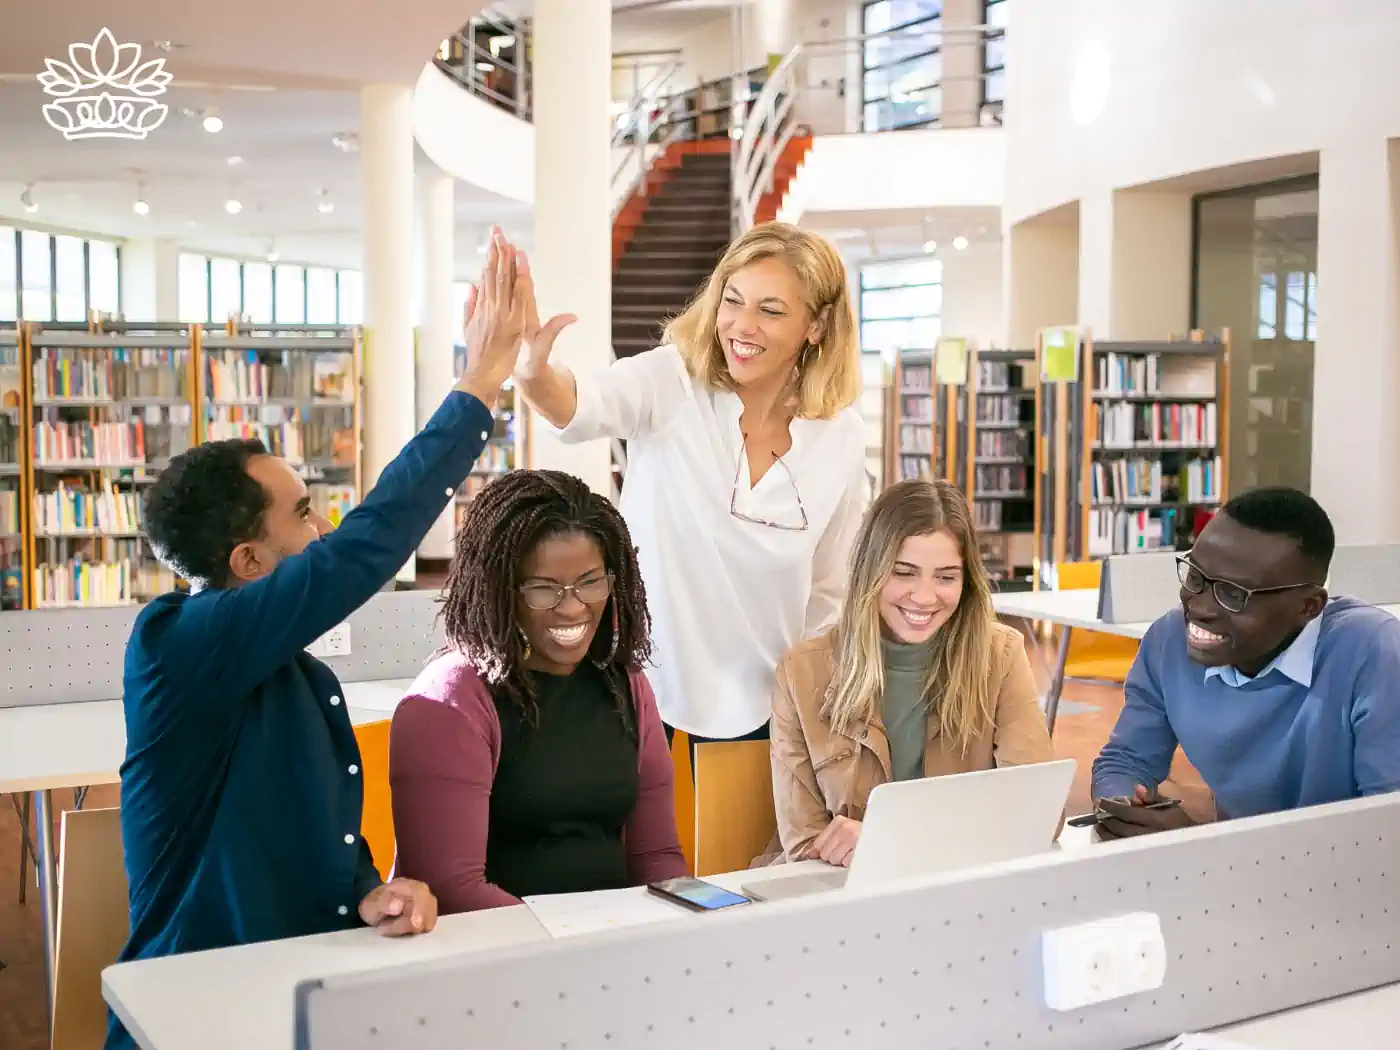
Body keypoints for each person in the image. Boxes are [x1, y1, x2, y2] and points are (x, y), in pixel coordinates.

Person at [105, 232, 528, 1050]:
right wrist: (476, 386)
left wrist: (364, 890)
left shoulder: (290, 670)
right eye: (303, 514)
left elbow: (303, 824)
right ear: (248, 561)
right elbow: (359, 551)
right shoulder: (177, 646)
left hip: (299, 991)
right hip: (194, 1012)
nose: (323, 527)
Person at [513, 221, 867, 751]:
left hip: (768, 712)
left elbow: (831, 591)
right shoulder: (671, 382)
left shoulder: (840, 437)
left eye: (771, 310)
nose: (742, 326)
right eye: (733, 300)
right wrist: (533, 375)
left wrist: (806, 700)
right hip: (642, 696)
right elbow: (583, 403)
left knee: (741, 839)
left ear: (816, 327)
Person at [388, 469, 687, 912]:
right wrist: (575, 945)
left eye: (590, 582)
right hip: (500, 957)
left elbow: (657, 858)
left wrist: (694, 919)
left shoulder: (625, 684)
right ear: (499, 590)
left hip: (610, 948)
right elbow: (452, 890)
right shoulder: (449, 701)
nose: (572, 607)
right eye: (543, 589)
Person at [768, 479, 1054, 865]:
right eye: (904, 573)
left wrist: (890, 840)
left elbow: (1038, 813)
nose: (924, 596)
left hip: (960, 889)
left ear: (966, 581)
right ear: (872, 571)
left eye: (946, 576)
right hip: (841, 895)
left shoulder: (1001, 656)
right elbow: (804, 846)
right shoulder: (800, 673)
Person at [1091, 486, 1400, 839]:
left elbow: (1387, 834)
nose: (1200, 607)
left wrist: (1199, 845)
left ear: (1308, 606)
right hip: (1241, 878)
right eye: (1196, 577)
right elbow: (1127, 759)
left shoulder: (1374, 653)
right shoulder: (1168, 641)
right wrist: (1122, 804)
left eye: (1234, 594)